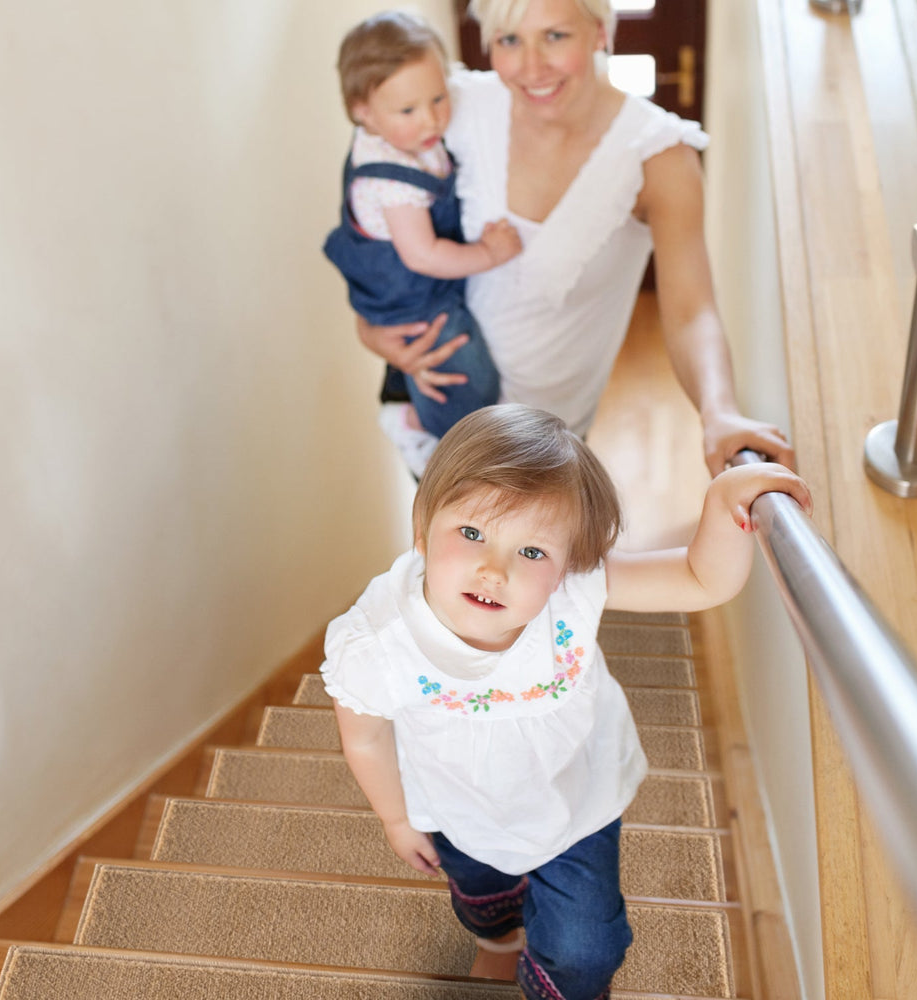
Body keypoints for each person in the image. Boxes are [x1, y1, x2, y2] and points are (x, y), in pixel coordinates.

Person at [321, 404, 811, 1000]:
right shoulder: (375, 643)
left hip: (575, 800)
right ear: (421, 528)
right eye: (471, 533)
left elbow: (699, 578)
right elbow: (366, 738)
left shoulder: (572, 592)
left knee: (587, 949)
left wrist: (725, 501)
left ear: (566, 568)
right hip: (455, 806)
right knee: (482, 897)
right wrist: (396, 819)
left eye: (533, 552)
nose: (494, 570)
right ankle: (500, 942)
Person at [355, 0, 795, 477]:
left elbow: (692, 312)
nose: (531, 68)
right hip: (439, 416)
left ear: (600, 31)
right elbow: (369, 217)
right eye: (509, 40)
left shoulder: (660, 157)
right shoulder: (451, 108)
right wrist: (371, 329)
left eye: (555, 36)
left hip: (544, 445)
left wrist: (720, 411)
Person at [324, 11, 522, 473]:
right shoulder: (391, 181)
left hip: (420, 287)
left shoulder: (399, 136)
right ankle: (418, 428)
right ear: (363, 111)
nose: (432, 118)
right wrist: (489, 253)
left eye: (438, 98)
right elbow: (423, 255)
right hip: (413, 302)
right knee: (467, 381)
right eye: (409, 110)